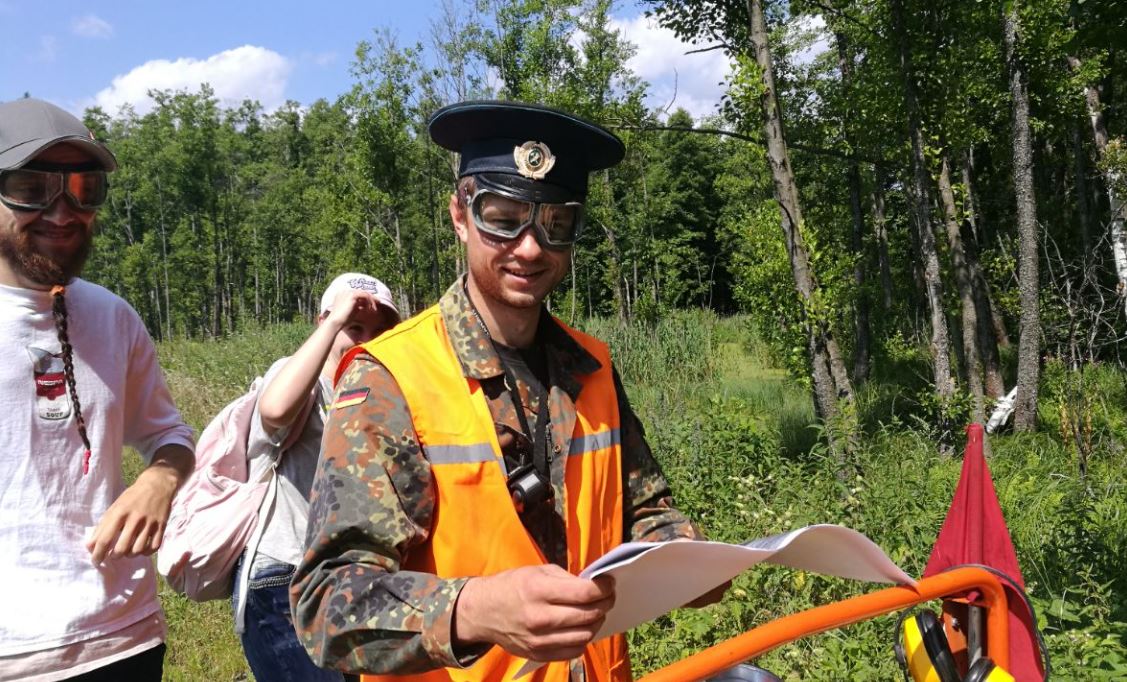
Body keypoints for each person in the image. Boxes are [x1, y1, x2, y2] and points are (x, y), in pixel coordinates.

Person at [291, 100, 722, 681]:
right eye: (503, 216)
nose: (530, 247)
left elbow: (641, 510)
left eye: (556, 224)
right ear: (460, 215)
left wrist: (692, 559)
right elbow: (325, 603)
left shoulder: (592, 367)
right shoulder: (389, 377)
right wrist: (472, 611)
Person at [0, 98, 195, 680]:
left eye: (84, 188)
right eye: (32, 187)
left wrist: (161, 478)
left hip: (122, 640)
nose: (63, 211)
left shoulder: (113, 316)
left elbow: (170, 434)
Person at [233, 272, 399, 682]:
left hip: (348, 582)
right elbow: (274, 412)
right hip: (283, 579)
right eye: (354, 327)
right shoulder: (299, 379)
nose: (365, 340)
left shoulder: (378, 399)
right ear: (322, 322)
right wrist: (336, 317)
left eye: (379, 331)